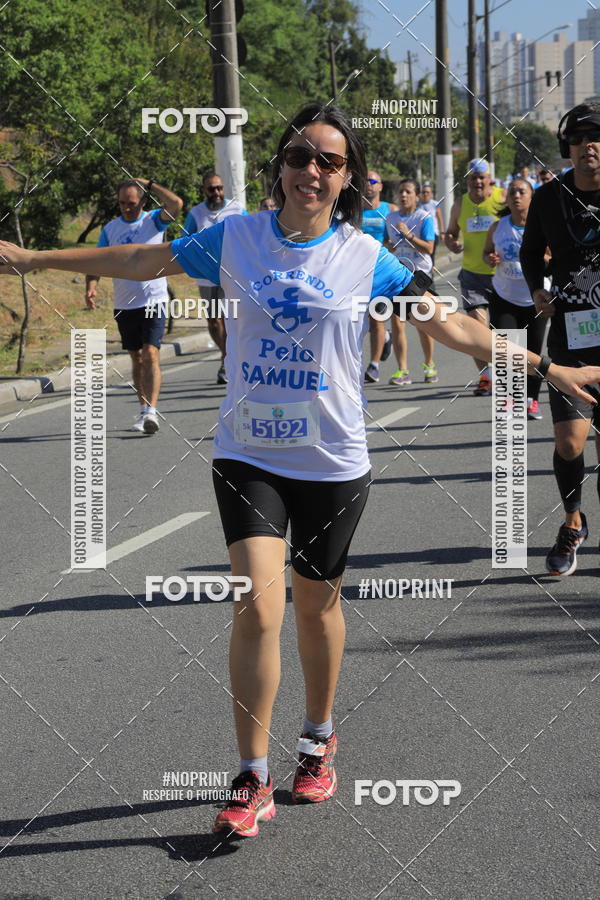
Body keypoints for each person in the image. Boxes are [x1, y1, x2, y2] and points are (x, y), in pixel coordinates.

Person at [1, 105, 598, 839]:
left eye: (330, 161)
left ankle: (317, 738)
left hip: (334, 461)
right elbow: (143, 261)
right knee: (258, 606)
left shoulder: (367, 258)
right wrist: (36, 260)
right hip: (247, 453)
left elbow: (450, 325)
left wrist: (546, 364)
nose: (312, 170)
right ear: (280, 166)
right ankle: (252, 775)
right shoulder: (236, 237)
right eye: (299, 155)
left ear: (346, 180)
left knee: (316, 609)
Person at [521, 102, 600, 576]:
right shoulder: (549, 197)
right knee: (571, 442)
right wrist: (536, 288)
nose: (590, 145)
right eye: (580, 138)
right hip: (572, 334)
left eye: (598, 137)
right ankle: (572, 522)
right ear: (567, 147)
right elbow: (532, 251)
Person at [85, 178, 183, 434]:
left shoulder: (154, 220)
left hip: (154, 300)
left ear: (142, 201)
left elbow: (176, 203)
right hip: (125, 303)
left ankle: (151, 412)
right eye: (121, 203)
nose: (126, 208)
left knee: (151, 352)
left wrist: (149, 184)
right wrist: (91, 285)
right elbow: (96, 260)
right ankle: (143, 409)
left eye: (130, 203)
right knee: (136, 357)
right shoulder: (110, 229)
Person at [482, 179, 548, 420]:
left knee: (533, 352)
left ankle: (531, 400)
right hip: (504, 296)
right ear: (506, 199)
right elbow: (487, 252)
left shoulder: (542, 227)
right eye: (512, 192)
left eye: (522, 192)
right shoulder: (497, 227)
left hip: (536, 297)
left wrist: (547, 259)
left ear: (532, 197)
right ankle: (508, 400)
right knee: (505, 349)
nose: (517, 196)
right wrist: (489, 258)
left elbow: (555, 257)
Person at [445, 158, 505, 395]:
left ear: (489, 178)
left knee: (503, 329)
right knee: (477, 329)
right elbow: (450, 233)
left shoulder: (502, 198)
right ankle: (486, 376)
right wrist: (452, 244)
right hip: (472, 275)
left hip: (503, 275)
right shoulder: (460, 204)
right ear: (467, 180)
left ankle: (510, 375)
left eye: (481, 178)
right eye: (473, 178)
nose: (478, 182)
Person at [183, 172, 247, 384]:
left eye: (219, 188)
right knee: (213, 322)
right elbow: (185, 240)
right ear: (204, 191)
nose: (217, 193)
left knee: (229, 320)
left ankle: (226, 361)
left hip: (232, 274)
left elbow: (250, 237)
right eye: (212, 189)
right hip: (206, 277)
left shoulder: (237, 209)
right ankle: (227, 356)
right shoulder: (196, 213)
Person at [385, 178, 438, 385]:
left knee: (423, 324)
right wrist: (388, 246)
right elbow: (388, 244)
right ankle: (403, 370)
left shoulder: (423, 217)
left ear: (417, 196)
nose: (404, 195)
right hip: (398, 274)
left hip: (420, 276)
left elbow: (429, 248)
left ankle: (429, 364)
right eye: (401, 192)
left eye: (408, 192)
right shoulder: (390, 217)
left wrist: (408, 235)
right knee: (397, 323)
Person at [361, 169, 396, 383]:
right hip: (356, 273)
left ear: (381, 186)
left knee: (375, 320)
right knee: (357, 321)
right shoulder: (354, 211)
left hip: (381, 273)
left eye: (373, 181)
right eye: (365, 181)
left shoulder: (389, 210)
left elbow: (399, 240)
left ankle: (373, 366)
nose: (368, 184)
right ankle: (386, 338)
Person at [418, 181, 445, 266]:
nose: (425, 194)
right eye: (423, 192)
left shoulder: (435, 204)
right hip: (420, 233)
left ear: (431, 193)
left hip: (433, 233)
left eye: (427, 192)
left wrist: (442, 232)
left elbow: (439, 218)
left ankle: (430, 272)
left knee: (430, 254)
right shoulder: (417, 204)